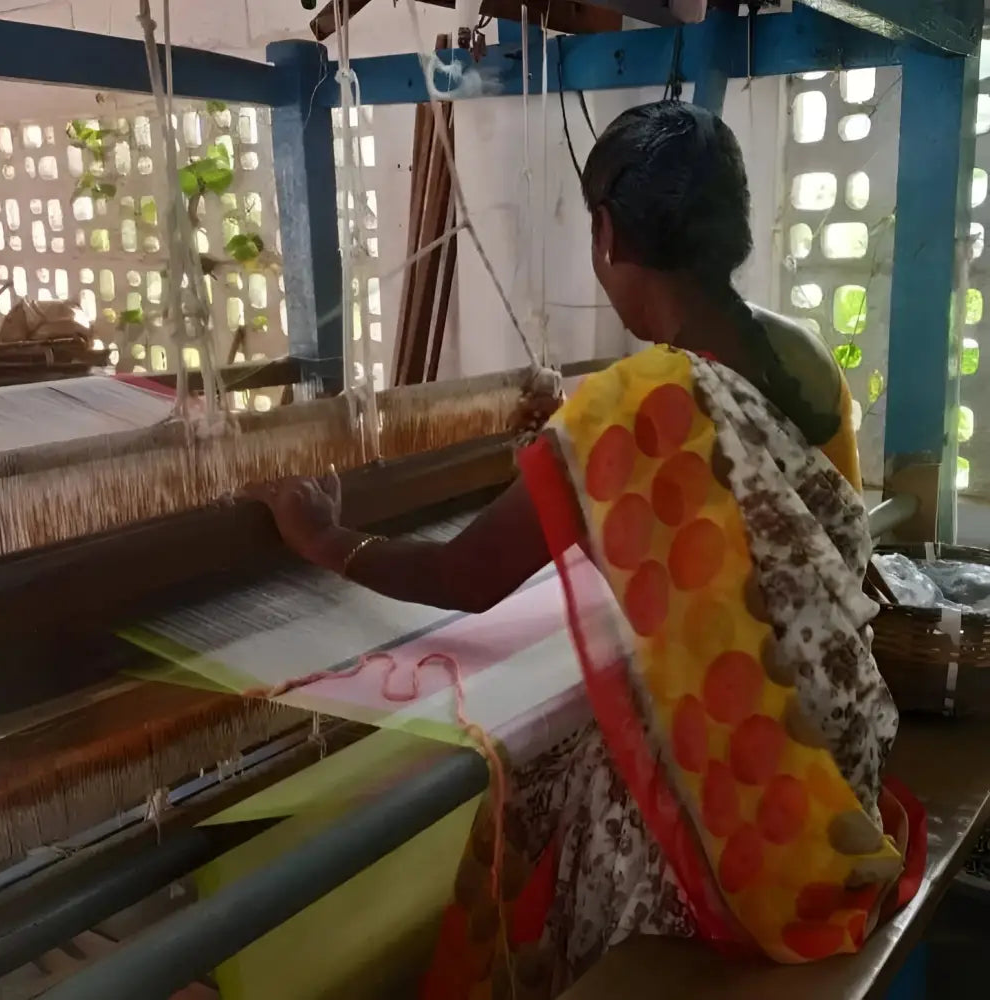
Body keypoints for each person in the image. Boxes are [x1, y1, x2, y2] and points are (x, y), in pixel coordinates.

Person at [250, 102, 922, 998]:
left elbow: (468, 577)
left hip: (743, 833)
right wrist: (573, 444)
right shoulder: (801, 360)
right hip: (833, 773)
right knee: (556, 764)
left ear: (605, 233)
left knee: (538, 796)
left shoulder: (635, 406)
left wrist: (326, 539)